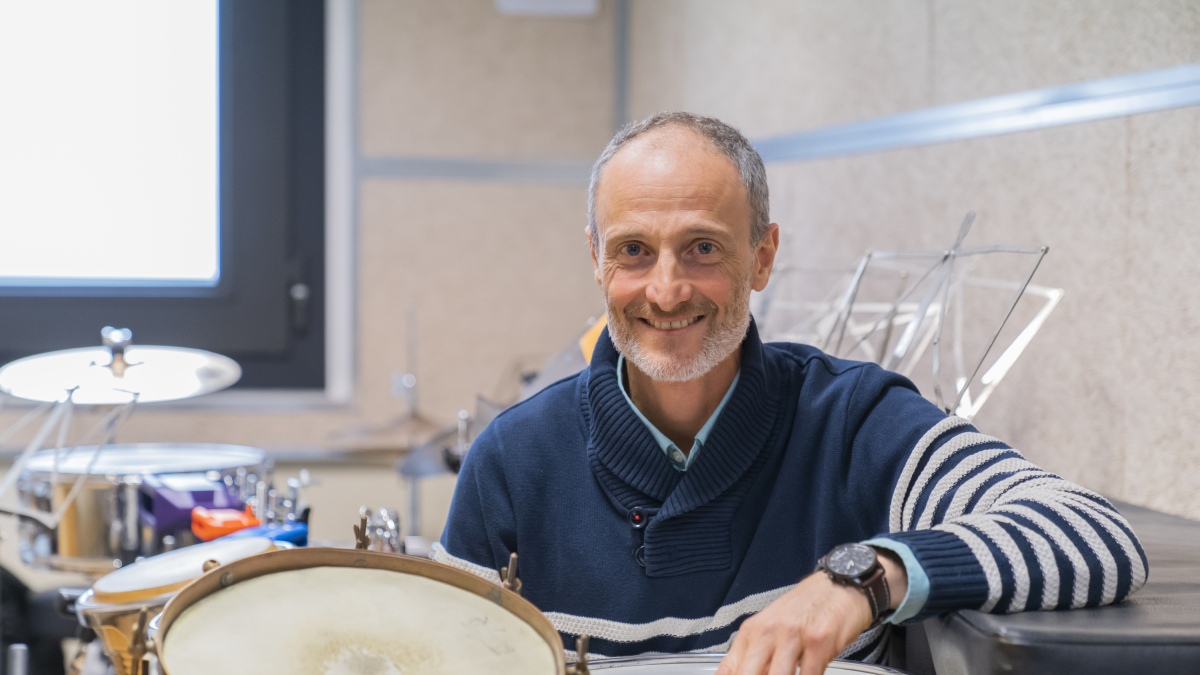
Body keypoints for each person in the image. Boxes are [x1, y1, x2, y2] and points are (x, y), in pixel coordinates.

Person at [435, 112, 1146, 675]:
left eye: (703, 247)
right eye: (634, 250)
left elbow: (1092, 533)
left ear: (764, 255)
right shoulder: (510, 460)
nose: (666, 288)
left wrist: (862, 578)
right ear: (596, 258)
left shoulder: (853, 422)